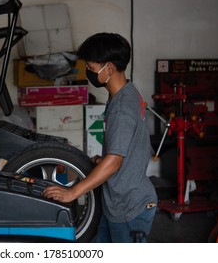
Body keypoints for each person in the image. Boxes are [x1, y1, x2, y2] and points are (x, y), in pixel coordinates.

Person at [42, 32, 157, 243]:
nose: (89, 72)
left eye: (92, 68)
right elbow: (125, 148)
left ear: (109, 68)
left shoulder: (121, 108)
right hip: (117, 203)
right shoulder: (125, 93)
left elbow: (114, 162)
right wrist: (100, 160)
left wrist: (72, 192)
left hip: (130, 209)